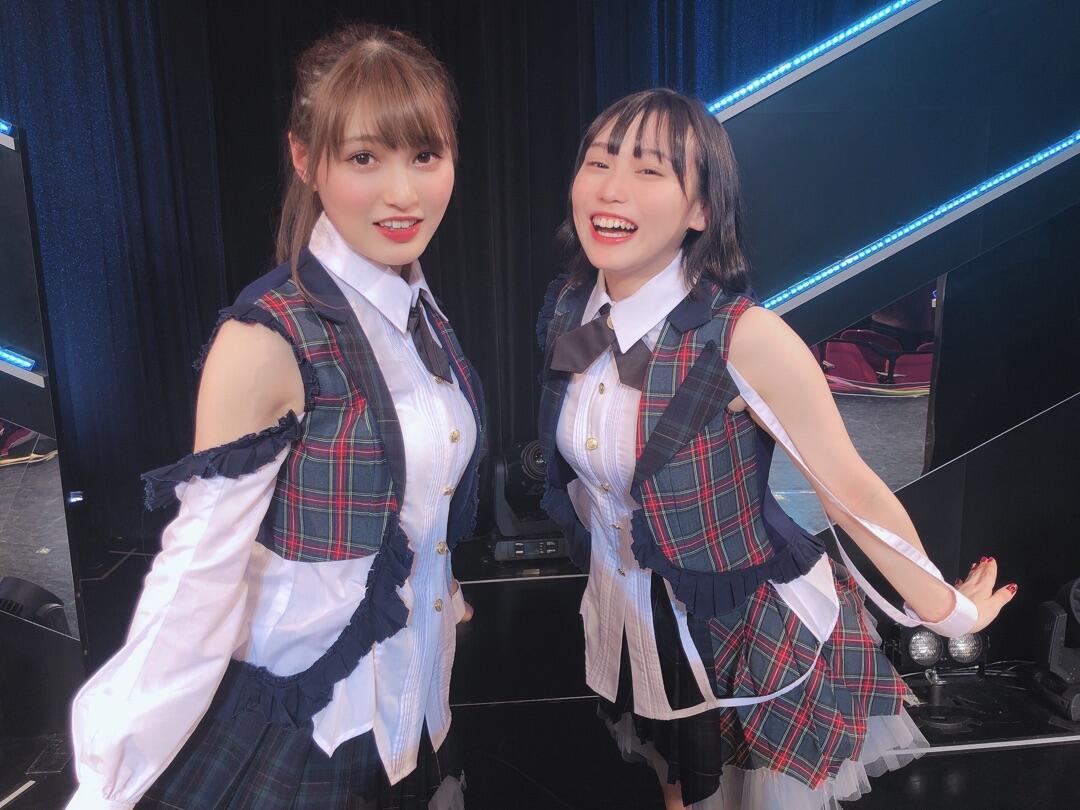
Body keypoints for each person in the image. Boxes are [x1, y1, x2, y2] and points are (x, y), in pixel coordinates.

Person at [536, 88, 1015, 809]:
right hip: (634, 618)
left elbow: (849, 489)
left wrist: (949, 612)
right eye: (599, 162)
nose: (611, 188)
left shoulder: (746, 337)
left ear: (701, 210)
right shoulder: (570, 308)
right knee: (676, 786)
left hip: (745, 630)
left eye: (649, 169)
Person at [68, 23, 483, 810]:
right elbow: (196, 576)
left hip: (418, 709)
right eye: (364, 158)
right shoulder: (267, 337)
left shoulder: (418, 310)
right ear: (304, 157)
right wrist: (107, 781)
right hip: (309, 727)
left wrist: (441, 586)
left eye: (425, 155)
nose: (403, 193)